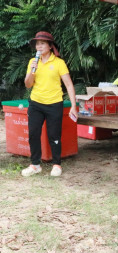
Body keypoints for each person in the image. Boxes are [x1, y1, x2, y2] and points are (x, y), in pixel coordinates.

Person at [22, 31, 77, 177]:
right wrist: (31, 72)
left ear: (50, 46)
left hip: (54, 104)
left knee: (54, 135)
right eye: (37, 44)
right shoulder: (32, 62)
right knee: (33, 134)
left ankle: (56, 164)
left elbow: (69, 85)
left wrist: (73, 105)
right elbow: (28, 85)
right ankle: (35, 165)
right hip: (36, 103)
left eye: (42, 44)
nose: (39, 47)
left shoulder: (59, 63)